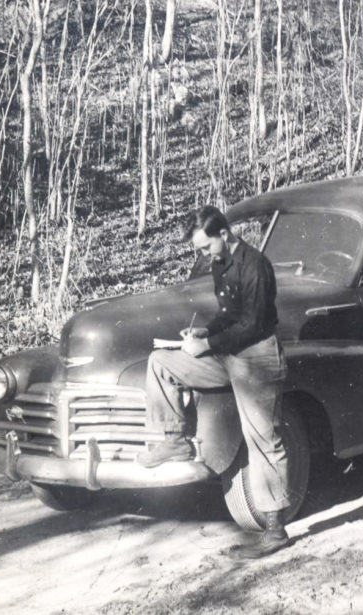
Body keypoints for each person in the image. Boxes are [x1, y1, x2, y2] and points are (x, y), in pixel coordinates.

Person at [137, 205, 291, 559]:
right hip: (228, 354)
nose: (205, 256)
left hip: (257, 359)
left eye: (206, 248)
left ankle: (275, 529)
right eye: (200, 251)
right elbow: (230, 315)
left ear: (224, 234)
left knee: (263, 439)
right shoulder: (221, 263)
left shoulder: (256, 265)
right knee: (161, 362)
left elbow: (252, 325)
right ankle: (173, 441)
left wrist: (206, 344)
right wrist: (206, 329)